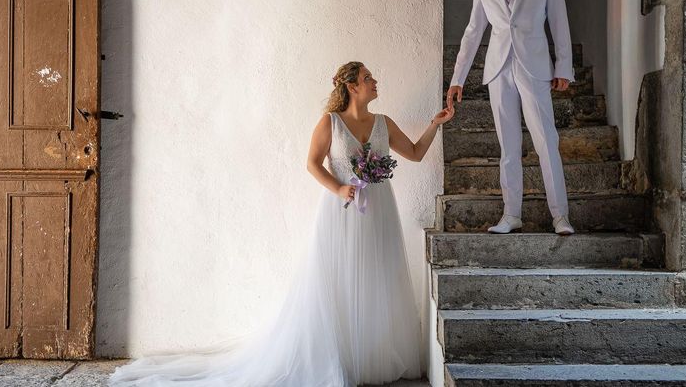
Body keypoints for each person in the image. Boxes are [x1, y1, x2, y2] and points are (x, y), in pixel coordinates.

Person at [110, 61, 454, 386]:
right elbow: (312, 164)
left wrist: (435, 124)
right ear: (352, 86)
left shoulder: (383, 121)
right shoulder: (330, 123)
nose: (375, 81)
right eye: (368, 78)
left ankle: (371, 355)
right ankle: (341, 357)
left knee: (377, 276)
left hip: (379, 209)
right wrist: (339, 188)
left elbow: (414, 152)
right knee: (339, 280)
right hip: (342, 211)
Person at [446, 0, 576, 235]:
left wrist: (563, 68)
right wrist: (457, 78)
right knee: (508, 146)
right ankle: (511, 214)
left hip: (534, 67)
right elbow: (472, 33)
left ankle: (560, 216)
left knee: (546, 140)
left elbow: (559, 22)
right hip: (498, 69)